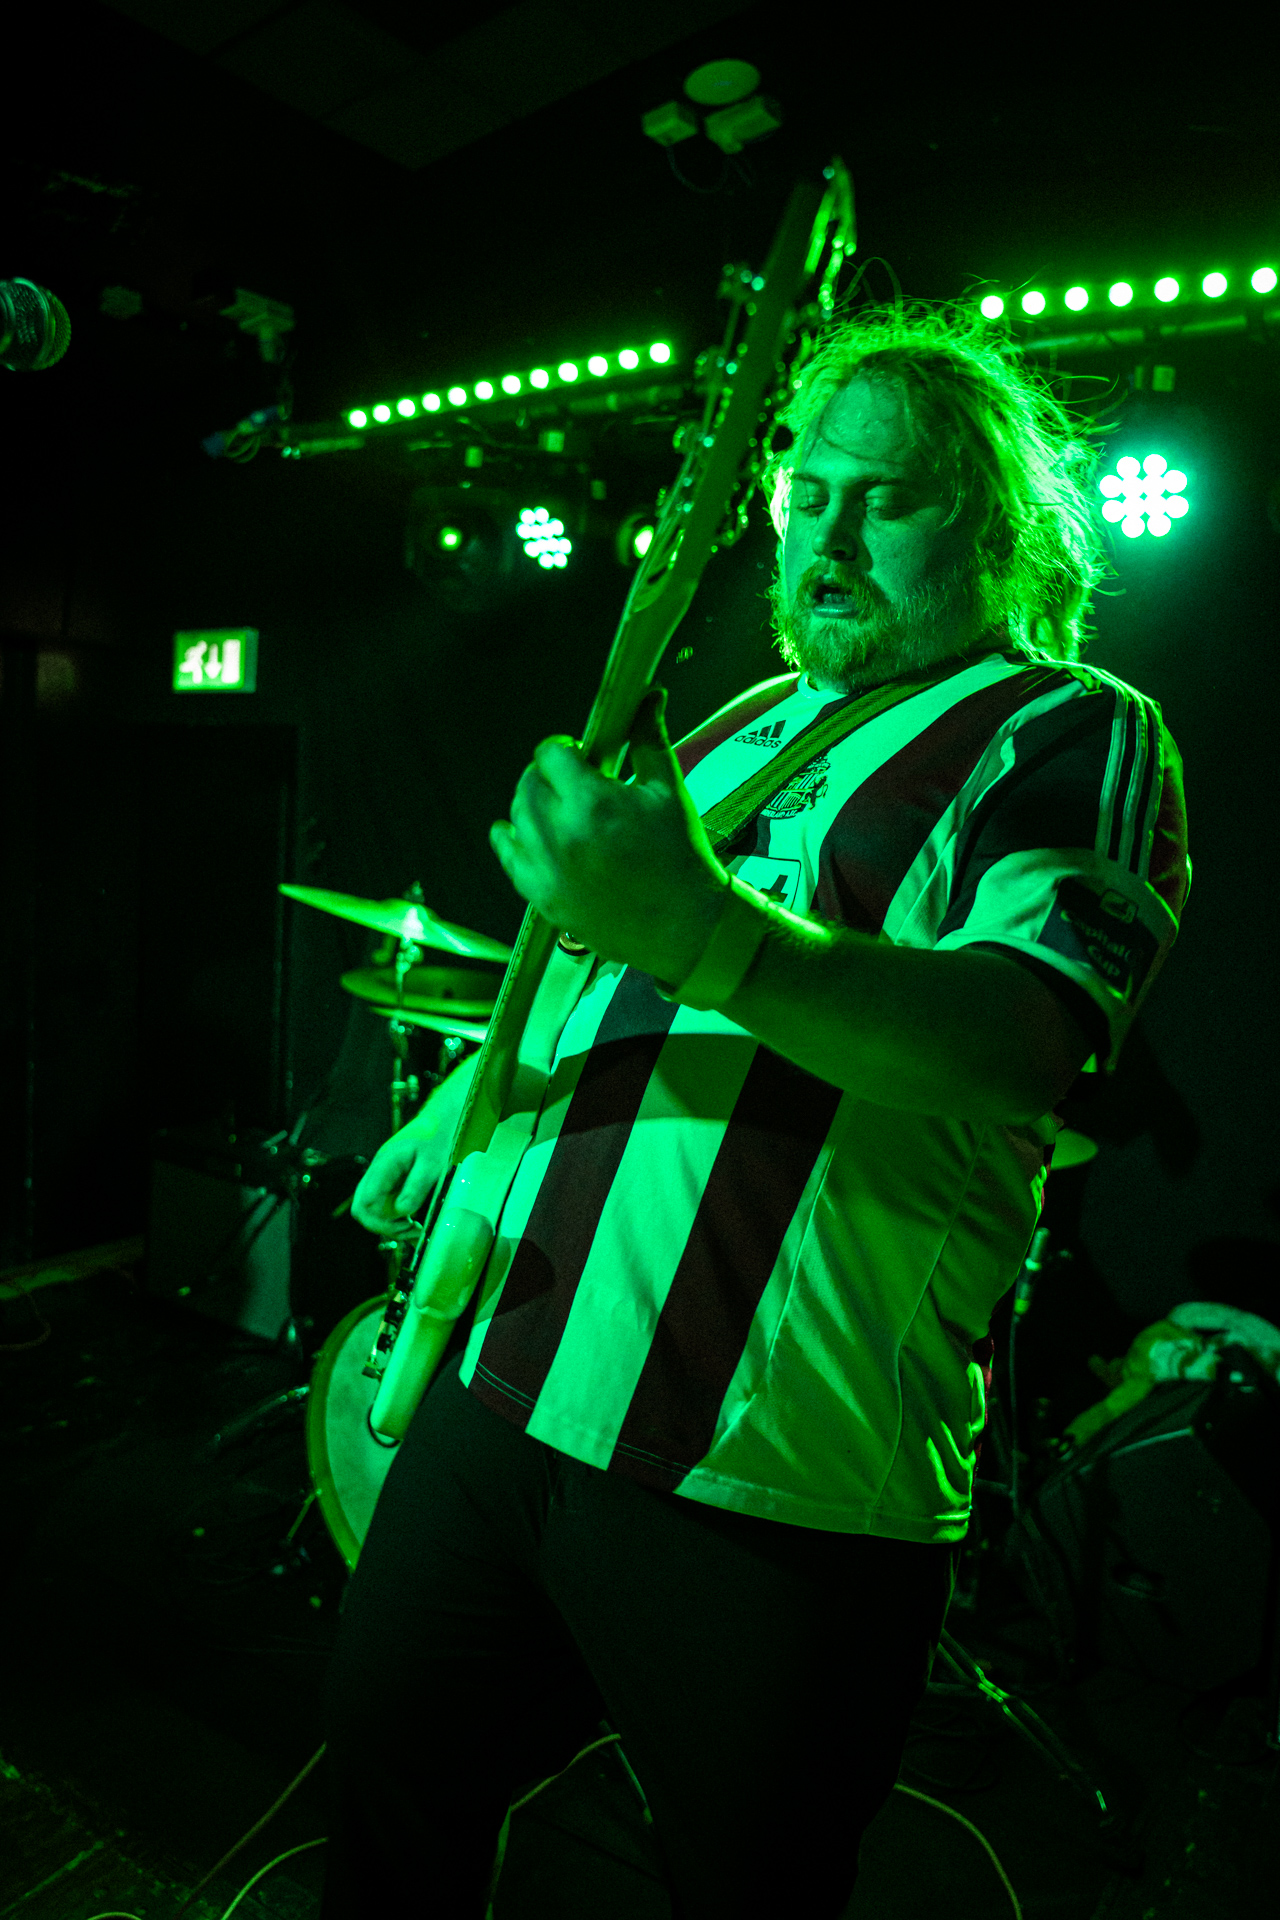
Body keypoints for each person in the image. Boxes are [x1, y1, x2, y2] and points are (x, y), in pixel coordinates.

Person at [319, 304, 1190, 1918]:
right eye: (808, 492)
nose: (829, 535)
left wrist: (709, 930)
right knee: (388, 1810)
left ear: (996, 529)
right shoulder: (738, 725)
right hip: (500, 1399)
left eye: (890, 498)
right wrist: (468, 1116)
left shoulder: (1074, 727)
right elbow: (594, 976)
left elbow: (1022, 1043)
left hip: (768, 1486)